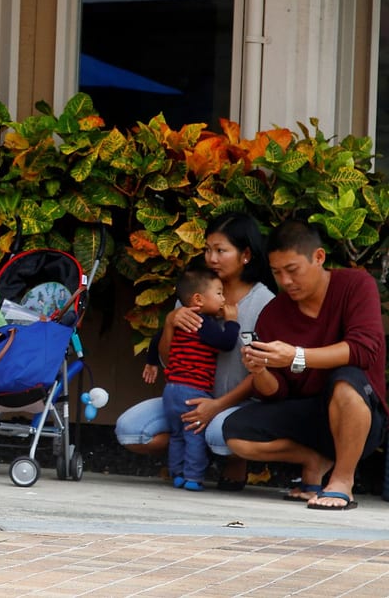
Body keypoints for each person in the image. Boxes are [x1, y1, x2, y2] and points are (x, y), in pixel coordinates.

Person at [223, 219, 388, 510]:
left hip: (360, 413)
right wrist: (260, 369)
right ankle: (314, 461)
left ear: (319, 257)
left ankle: (342, 481)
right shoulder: (273, 313)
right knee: (235, 432)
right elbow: (276, 392)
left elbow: (364, 349)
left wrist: (297, 355)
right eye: (277, 273)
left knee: (345, 380)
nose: (285, 281)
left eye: (292, 270)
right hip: (308, 414)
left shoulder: (355, 284)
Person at [116, 212, 276, 490]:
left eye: (221, 250)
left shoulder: (265, 303)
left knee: (216, 432)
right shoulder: (196, 295)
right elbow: (169, 360)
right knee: (130, 430)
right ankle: (194, 455)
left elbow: (266, 371)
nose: (211, 258)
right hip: (190, 397)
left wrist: (216, 406)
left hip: (237, 404)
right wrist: (169, 324)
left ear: (245, 255)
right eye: (207, 249)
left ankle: (229, 456)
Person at [156, 268, 239, 491]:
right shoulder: (201, 323)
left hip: (171, 389)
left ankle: (177, 474)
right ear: (198, 299)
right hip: (192, 390)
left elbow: (158, 341)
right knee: (194, 435)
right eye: (219, 293)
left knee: (176, 436)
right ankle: (193, 477)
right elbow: (226, 343)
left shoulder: (180, 321)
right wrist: (231, 321)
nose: (224, 299)